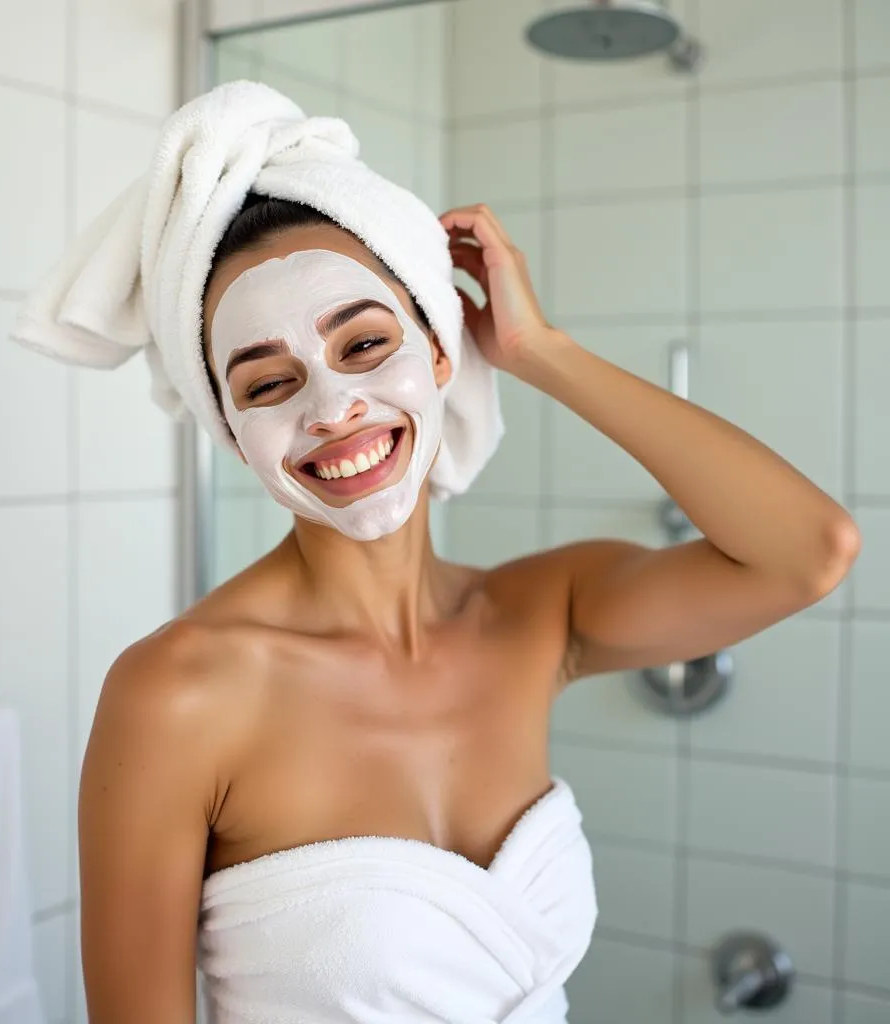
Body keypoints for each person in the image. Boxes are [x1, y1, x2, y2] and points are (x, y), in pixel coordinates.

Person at [74, 189, 860, 1022]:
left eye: (367, 343)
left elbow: (809, 553)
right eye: (269, 383)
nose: (333, 409)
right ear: (232, 431)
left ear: (438, 352)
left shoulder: (535, 615)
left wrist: (538, 349)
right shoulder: (178, 692)